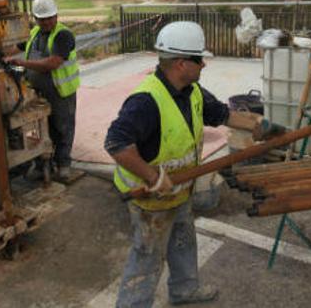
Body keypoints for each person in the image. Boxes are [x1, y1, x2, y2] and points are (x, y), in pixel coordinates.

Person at [105, 21, 276, 307]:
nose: (204, 65)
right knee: (147, 257)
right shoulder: (146, 101)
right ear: (182, 63)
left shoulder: (192, 90)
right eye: (199, 59)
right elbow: (116, 144)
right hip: (151, 199)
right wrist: (153, 177)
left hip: (180, 190)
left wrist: (257, 124)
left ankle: (184, 290)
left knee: (184, 241)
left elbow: (221, 113)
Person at [7, 0, 79, 182]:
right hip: (36, 92)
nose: (46, 22)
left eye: (49, 18)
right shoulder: (33, 33)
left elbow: (53, 63)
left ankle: (63, 165)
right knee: (36, 129)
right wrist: (1, 53)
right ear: (35, 19)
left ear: (56, 16)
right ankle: (41, 165)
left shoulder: (63, 35)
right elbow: (14, 48)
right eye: (42, 19)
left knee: (62, 128)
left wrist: (23, 63)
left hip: (60, 92)